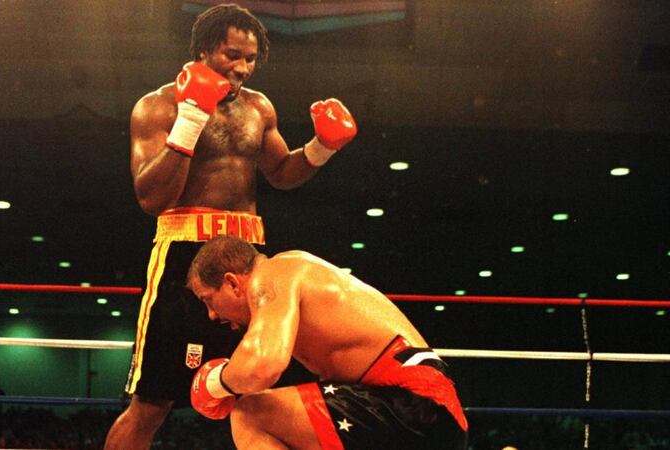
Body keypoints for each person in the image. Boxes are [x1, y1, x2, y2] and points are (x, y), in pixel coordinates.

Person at [103, 4, 357, 449]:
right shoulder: (157, 106)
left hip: (248, 256)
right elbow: (151, 197)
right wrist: (191, 117)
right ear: (203, 50)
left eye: (250, 58)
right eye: (231, 55)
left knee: (275, 389)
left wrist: (321, 148)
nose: (242, 68)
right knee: (152, 403)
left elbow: (281, 172)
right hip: (184, 253)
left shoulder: (259, 107)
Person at [187, 236, 468, 449]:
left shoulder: (271, 274)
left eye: (208, 299)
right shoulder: (294, 275)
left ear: (232, 283)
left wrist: (214, 383)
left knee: (251, 413)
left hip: (414, 404)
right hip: (412, 409)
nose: (212, 314)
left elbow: (262, 365)